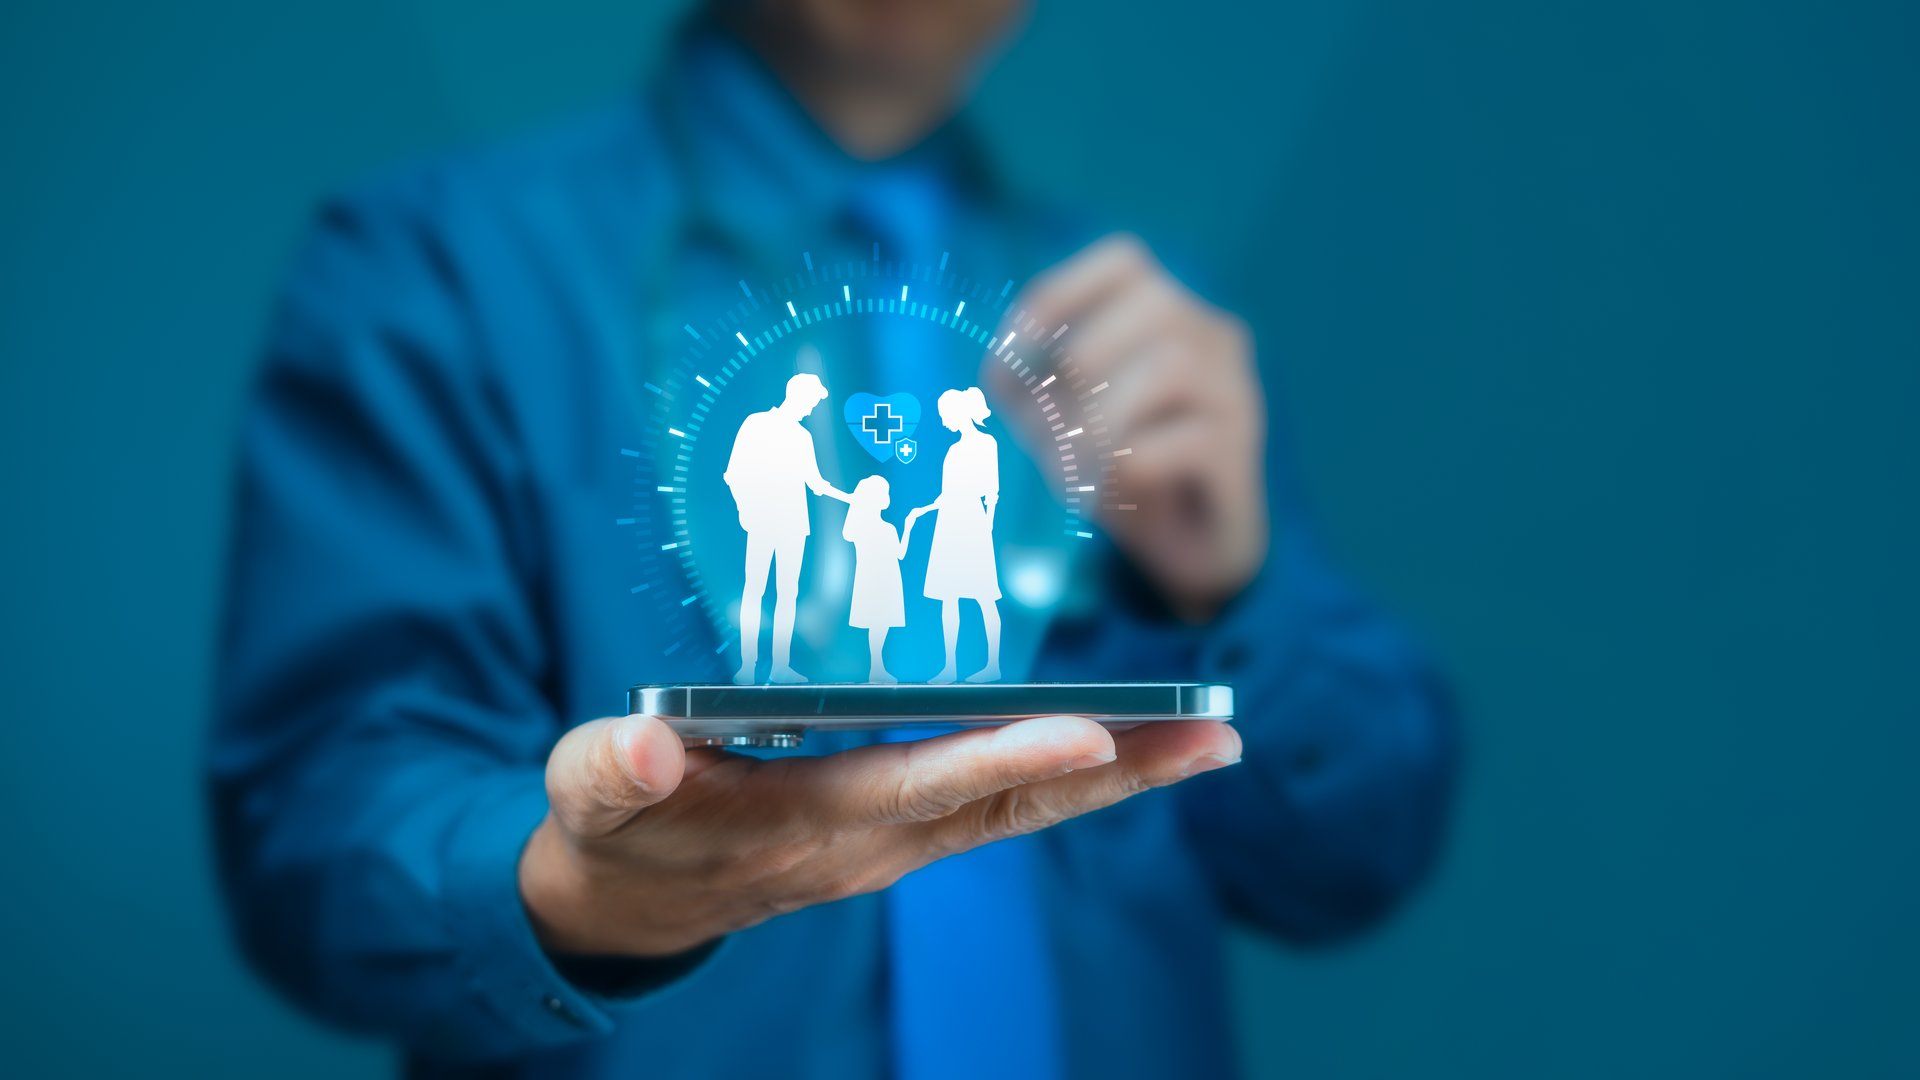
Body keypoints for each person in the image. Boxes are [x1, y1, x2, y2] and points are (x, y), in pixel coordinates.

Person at [209, 2, 1458, 1078]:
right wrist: (570, 895)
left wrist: (1233, 596)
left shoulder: (1152, 328)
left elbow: (1354, 855)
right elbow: (315, 828)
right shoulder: (437, 270)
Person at [724, 371, 849, 684]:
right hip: (763, 520)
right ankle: (748, 666)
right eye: (810, 402)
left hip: (794, 525)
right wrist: (745, 510)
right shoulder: (756, 424)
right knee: (755, 590)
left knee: (787, 594)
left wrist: (852, 498)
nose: (811, 409)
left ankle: (781, 666)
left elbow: (816, 483)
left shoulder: (803, 437)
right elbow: (733, 473)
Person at [907, 387, 1002, 684]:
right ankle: (950, 667)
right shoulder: (954, 450)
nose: (943, 421)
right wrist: (924, 510)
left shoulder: (987, 444)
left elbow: (992, 492)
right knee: (949, 597)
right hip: (949, 523)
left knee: (984, 596)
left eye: (944, 415)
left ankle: (992, 666)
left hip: (972, 523)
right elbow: (946, 494)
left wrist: (987, 524)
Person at [842, 475, 913, 683]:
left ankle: (877, 667)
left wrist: (908, 527)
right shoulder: (862, 528)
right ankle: (876, 668)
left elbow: (899, 554)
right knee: (877, 624)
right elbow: (899, 553)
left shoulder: (885, 528)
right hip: (875, 580)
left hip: (887, 579)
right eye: (884, 493)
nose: (887, 497)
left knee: (880, 625)